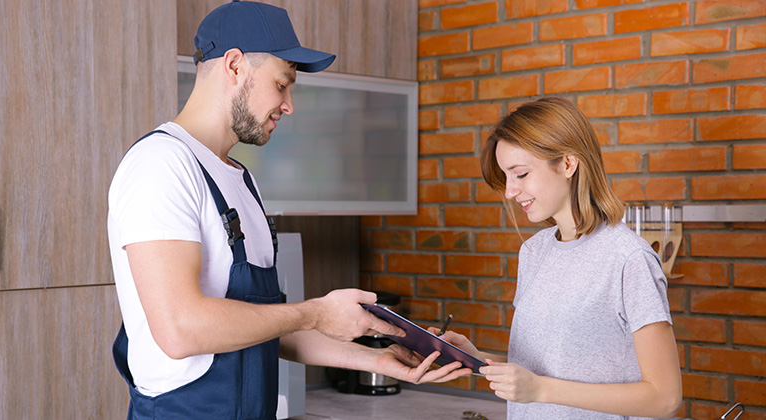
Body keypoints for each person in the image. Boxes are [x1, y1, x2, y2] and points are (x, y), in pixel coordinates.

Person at [107, 1, 471, 419]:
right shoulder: (161, 165)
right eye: (282, 84)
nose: (289, 104)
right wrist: (316, 312)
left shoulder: (241, 180)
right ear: (235, 65)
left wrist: (374, 360)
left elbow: (268, 327)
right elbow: (179, 329)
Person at [433, 97, 682, 419]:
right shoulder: (534, 251)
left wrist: (540, 389)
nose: (509, 191)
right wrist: (477, 359)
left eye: (520, 174)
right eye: (505, 177)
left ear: (567, 164)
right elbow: (546, 368)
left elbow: (664, 398)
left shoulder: (628, 259)